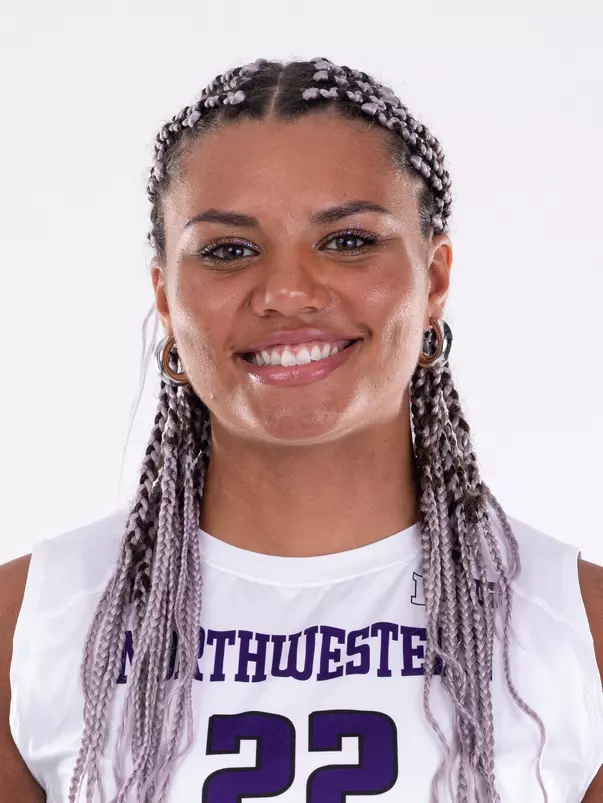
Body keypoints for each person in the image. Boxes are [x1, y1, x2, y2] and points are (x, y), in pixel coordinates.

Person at [1, 56, 602, 803]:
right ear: (164, 293)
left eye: (348, 240)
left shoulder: (578, 628)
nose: (287, 292)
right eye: (228, 250)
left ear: (434, 278)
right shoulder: (30, 624)